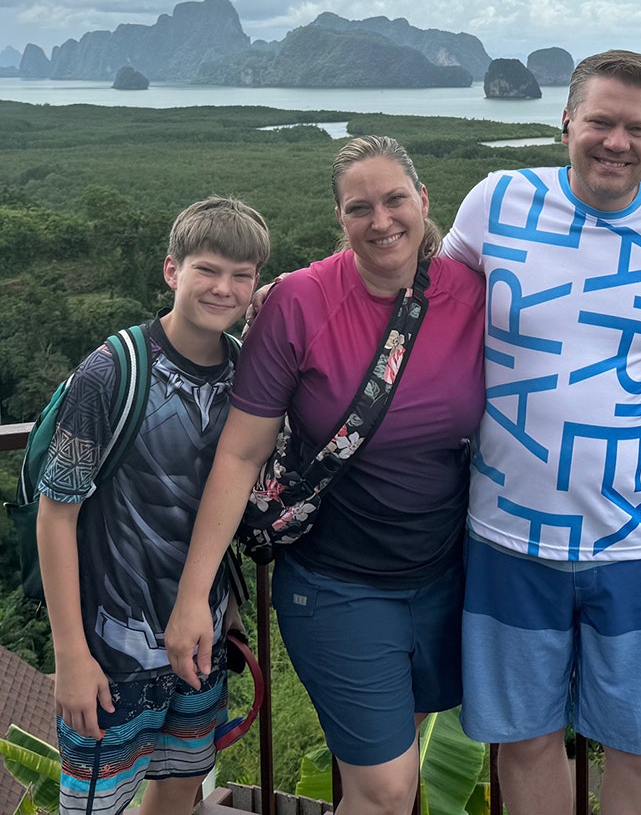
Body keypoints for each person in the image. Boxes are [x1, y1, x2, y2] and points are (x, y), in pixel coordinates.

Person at [441, 49, 641, 815]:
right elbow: (417, 307)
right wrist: (294, 299)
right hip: (507, 532)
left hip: (635, 538)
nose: (616, 141)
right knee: (525, 739)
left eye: (638, 128)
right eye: (600, 120)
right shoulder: (496, 202)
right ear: (566, 122)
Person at [166, 136, 487, 815]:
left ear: (425, 201)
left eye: (396, 199)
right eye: (359, 207)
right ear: (340, 219)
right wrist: (196, 593)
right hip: (338, 585)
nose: (382, 220)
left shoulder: (474, 295)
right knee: (386, 789)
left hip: (449, 578)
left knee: (402, 767)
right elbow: (240, 454)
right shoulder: (300, 303)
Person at [37, 197, 271, 815]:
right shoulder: (112, 371)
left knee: (178, 790)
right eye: (208, 270)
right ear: (172, 270)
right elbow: (56, 514)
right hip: (111, 652)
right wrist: (70, 657)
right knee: (96, 803)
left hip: (199, 644)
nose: (223, 288)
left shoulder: (249, 373)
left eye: (241, 276)